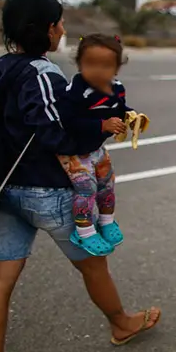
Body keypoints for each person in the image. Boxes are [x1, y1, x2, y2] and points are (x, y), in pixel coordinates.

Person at [0, 0, 160, 352]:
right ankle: (122, 323)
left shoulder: (1, 67)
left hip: (5, 187)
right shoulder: (45, 74)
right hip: (48, 190)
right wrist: (103, 128)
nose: (62, 28)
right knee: (94, 263)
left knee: (1, 275)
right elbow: (57, 135)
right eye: (57, 22)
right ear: (45, 29)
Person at [54, 34, 138, 257]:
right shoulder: (77, 91)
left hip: (96, 148)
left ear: (117, 68)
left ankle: (107, 221)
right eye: (90, 64)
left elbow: (118, 107)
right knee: (86, 188)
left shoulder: (117, 88)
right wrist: (102, 125)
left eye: (106, 66)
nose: (98, 71)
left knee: (107, 183)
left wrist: (130, 115)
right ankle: (84, 231)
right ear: (80, 63)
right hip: (73, 150)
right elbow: (68, 122)